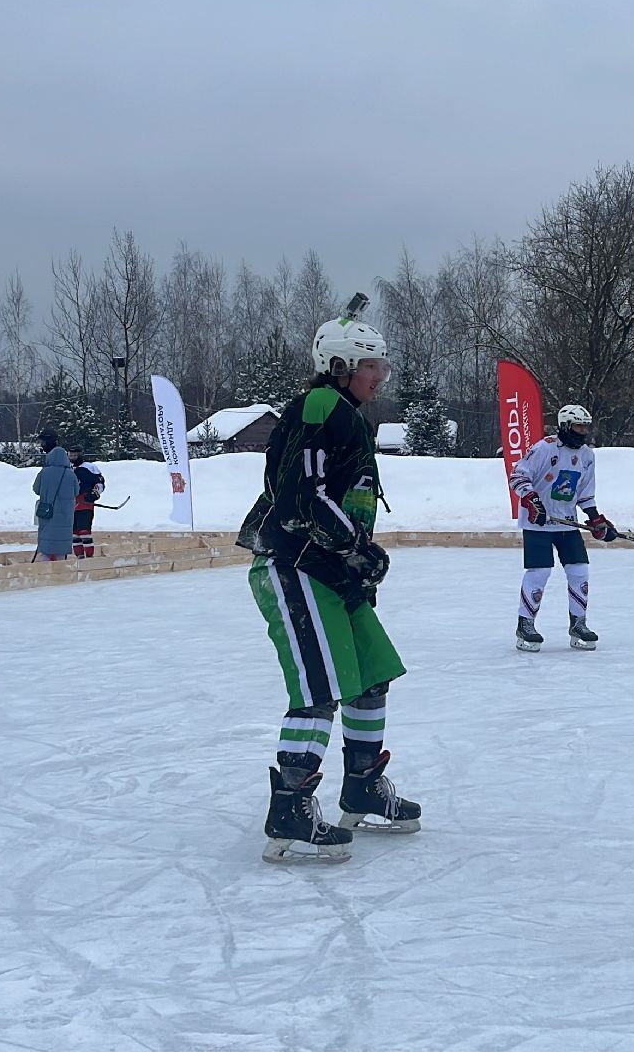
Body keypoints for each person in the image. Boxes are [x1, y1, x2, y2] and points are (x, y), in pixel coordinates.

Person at [239, 295, 420, 864]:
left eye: (381, 364)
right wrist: (354, 548)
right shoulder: (321, 406)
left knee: (371, 674)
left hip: (330, 568)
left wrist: (356, 555)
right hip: (295, 565)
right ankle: (290, 808)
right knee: (319, 690)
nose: (380, 375)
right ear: (340, 365)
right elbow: (303, 499)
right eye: (371, 365)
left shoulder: (346, 413)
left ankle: (362, 785)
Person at [508, 404, 616, 652]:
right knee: (539, 572)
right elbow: (518, 476)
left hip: (566, 521)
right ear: (565, 426)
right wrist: (531, 499)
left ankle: (578, 624)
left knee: (580, 570)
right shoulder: (545, 448)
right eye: (578, 426)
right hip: (538, 523)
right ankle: (525, 625)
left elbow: (585, 494)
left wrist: (595, 519)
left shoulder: (587, 456)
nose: (583, 431)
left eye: (585, 427)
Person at [31, 447, 76, 561]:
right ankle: (60, 568)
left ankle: (45, 567)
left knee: (46, 544)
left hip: (48, 512)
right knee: (61, 546)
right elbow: (76, 491)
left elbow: (36, 489)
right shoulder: (71, 474)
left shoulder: (44, 472)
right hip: (65, 515)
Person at [69, 448, 105, 558]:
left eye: (75, 455)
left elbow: (99, 483)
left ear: (80, 455)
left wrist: (94, 494)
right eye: (71, 455)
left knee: (84, 531)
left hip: (85, 504)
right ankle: (79, 557)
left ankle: (89, 557)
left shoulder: (90, 467)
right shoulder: (68, 469)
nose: (73, 458)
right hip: (71, 505)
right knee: (74, 533)